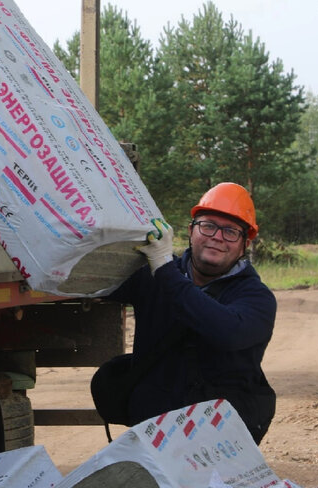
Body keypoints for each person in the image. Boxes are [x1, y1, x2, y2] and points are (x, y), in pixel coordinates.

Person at [91, 182, 278, 443]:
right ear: (191, 231)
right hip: (153, 426)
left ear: (244, 244)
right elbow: (94, 280)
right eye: (208, 225)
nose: (217, 236)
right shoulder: (152, 274)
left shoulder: (257, 298)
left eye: (231, 231)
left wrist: (164, 269)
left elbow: (227, 331)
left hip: (219, 436)